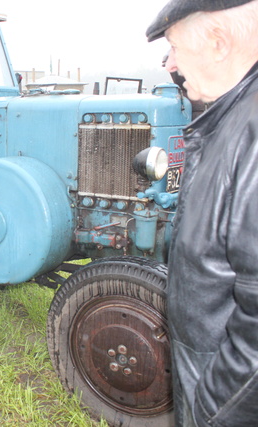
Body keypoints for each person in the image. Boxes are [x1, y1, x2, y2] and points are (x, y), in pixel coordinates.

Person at [146, 1, 258, 426]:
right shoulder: (229, 119)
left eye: (174, 47)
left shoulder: (250, 133)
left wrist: (210, 411)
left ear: (218, 43)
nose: (170, 64)